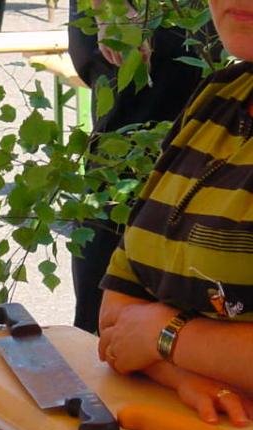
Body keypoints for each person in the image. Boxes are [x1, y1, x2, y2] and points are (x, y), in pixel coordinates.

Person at [98, 0, 253, 427]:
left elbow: (141, 326)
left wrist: (166, 334)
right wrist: (176, 371)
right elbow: (117, 315)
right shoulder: (221, 95)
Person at [68, 0, 211, 333]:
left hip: (203, 20)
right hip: (140, 18)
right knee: (124, 181)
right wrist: (112, 10)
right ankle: (102, 337)